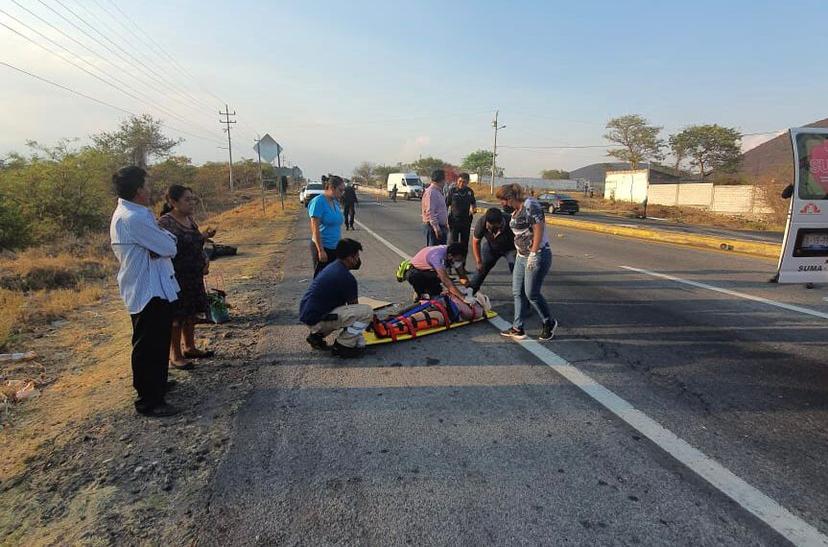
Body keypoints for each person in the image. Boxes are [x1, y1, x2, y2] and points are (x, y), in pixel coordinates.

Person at [109, 166, 180, 417]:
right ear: (139, 189)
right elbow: (169, 246)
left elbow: (166, 243)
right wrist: (162, 244)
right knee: (148, 345)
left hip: (153, 286)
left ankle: (157, 385)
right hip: (146, 289)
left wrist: (162, 244)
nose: (149, 189)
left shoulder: (138, 213)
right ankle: (149, 400)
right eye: (146, 185)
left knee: (158, 342)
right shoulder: (133, 218)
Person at [158, 185, 216, 370]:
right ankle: (175, 355)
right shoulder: (165, 223)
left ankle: (189, 347)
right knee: (177, 317)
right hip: (176, 277)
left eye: (193, 199)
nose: (191, 203)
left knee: (190, 313)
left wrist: (205, 258)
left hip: (194, 275)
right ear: (173, 202)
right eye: (187, 199)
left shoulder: (189, 220)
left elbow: (195, 243)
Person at [496, 183, 558, 341]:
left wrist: (533, 253)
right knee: (517, 292)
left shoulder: (530, 205)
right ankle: (518, 328)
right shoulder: (516, 211)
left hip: (537, 255)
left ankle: (549, 322)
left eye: (502, 200)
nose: (501, 204)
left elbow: (538, 229)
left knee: (532, 293)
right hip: (521, 256)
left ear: (509, 199)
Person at [299, 238, 372, 358]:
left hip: (309, 315)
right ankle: (343, 346)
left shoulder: (333, 266)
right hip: (317, 320)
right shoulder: (346, 277)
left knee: (340, 312)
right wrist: (369, 324)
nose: (358, 260)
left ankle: (316, 336)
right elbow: (354, 307)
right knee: (366, 312)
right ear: (349, 258)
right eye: (357, 256)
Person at [470, 207, 516, 293]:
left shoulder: (511, 222)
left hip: (510, 249)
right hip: (491, 247)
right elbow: (476, 242)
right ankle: (470, 293)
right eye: (491, 227)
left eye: (498, 227)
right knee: (481, 270)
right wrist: (478, 262)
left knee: (517, 273)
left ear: (501, 222)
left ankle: (523, 300)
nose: (495, 230)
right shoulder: (482, 222)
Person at [308, 174, 345, 277]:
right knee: (322, 280)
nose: (342, 193)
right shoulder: (318, 202)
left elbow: (336, 227)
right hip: (323, 247)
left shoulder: (335, 203)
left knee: (334, 280)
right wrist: (321, 250)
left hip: (335, 248)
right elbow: (315, 229)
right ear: (332, 188)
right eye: (340, 190)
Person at [445, 172, 476, 259]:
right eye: (460, 181)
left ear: (468, 182)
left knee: (464, 245)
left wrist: (473, 209)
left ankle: (462, 266)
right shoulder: (452, 191)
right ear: (457, 181)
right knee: (452, 244)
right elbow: (446, 205)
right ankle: (449, 265)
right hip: (454, 221)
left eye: (464, 182)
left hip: (466, 221)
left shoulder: (470, 192)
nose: (461, 184)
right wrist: (445, 219)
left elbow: (473, 203)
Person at [422, 168, 449, 246]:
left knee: (441, 252)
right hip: (434, 227)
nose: (445, 182)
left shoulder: (438, 191)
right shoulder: (431, 192)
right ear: (441, 180)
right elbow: (430, 212)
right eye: (444, 179)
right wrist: (436, 228)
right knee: (433, 253)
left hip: (441, 226)